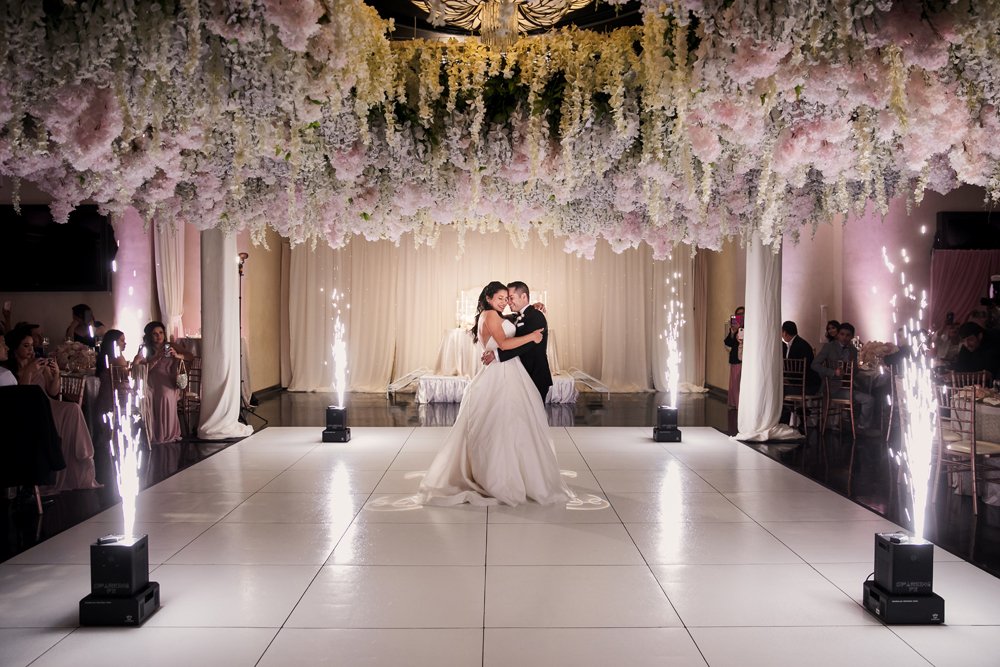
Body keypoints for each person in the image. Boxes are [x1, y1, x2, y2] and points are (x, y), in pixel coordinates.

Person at [417, 281, 573, 506]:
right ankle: (505, 476)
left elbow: (511, 327)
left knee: (516, 423)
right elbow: (505, 344)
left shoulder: (503, 315)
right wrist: (529, 337)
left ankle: (519, 472)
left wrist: (532, 308)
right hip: (503, 373)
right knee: (508, 424)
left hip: (523, 373)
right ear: (489, 299)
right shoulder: (491, 315)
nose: (505, 302)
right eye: (501, 298)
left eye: (508, 298)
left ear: (523, 297)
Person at [2, 325, 100, 492]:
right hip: (30, 410)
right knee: (70, 410)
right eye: (26, 346)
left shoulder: (38, 363)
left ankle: (82, 455)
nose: (30, 349)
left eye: (31, 345)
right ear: (15, 348)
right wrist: (28, 372)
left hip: (47, 403)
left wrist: (54, 375)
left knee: (73, 408)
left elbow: (53, 391)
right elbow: (21, 397)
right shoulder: (10, 370)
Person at [480, 281, 552, 403]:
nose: (508, 302)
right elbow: (503, 321)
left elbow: (526, 345)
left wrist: (496, 354)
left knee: (534, 416)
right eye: (505, 298)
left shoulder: (536, 316)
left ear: (523, 297)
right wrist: (531, 306)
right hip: (519, 375)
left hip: (534, 374)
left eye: (510, 298)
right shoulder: (514, 316)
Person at [812, 321, 876, 434]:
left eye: (848, 335)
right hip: (832, 387)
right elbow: (814, 365)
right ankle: (853, 425)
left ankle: (861, 427)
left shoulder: (853, 350)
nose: (844, 337)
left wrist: (851, 369)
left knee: (869, 398)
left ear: (851, 337)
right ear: (838, 335)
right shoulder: (828, 347)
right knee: (866, 397)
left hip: (848, 386)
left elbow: (855, 370)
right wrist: (833, 372)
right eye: (842, 334)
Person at [133, 320, 183, 445]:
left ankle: (166, 432)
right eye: (155, 334)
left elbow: (189, 357)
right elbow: (140, 368)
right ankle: (151, 433)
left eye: (161, 332)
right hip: (150, 379)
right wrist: (156, 358)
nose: (159, 336)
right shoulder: (145, 349)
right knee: (147, 395)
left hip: (167, 380)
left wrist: (177, 355)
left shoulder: (169, 346)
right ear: (149, 336)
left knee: (164, 394)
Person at [781, 321, 820, 395]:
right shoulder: (799, 343)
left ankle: (787, 407)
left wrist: (788, 379)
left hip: (806, 385)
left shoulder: (798, 346)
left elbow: (797, 369)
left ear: (785, 333)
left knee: (777, 389)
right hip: (807, 383)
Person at [724, 306, 744, 409]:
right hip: (734, 358)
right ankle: (734, 403)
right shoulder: (734, 329)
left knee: (737, 383)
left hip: (741, 359)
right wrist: (732, 332)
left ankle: (739, 405)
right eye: (738, 314)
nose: (740, 316)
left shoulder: (746, 328)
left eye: (742, 314)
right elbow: (728, 343)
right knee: (733, 384)